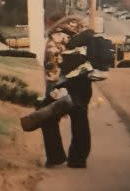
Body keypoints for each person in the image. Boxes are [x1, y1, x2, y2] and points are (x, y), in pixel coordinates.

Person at [40, 14, 95, 169]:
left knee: (46, 116)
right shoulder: (83, 32)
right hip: (84, 84)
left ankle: (55, 157)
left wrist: (50, 93)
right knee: (80, 119)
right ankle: (78, 160)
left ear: (50, 21)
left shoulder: (55, 39)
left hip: (63, 84)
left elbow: (52, 69)